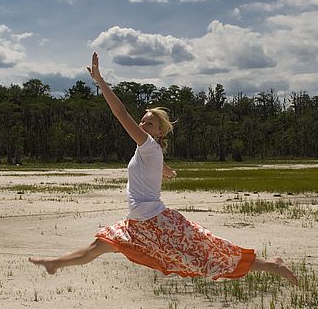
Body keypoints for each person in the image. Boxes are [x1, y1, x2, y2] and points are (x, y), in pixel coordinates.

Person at [29, 53, 298, 286]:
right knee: (98, 246)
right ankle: (55, 264)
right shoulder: (151, 151)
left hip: (157, 223)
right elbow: (160, 164)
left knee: (208, 256)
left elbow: (120, 113)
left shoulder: (147, 145)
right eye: (142, 121)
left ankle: (271, 265)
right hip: (137, 223)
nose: (142, 125)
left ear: (158, 132)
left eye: (148, 123)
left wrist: (100, 82)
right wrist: (167, 172)